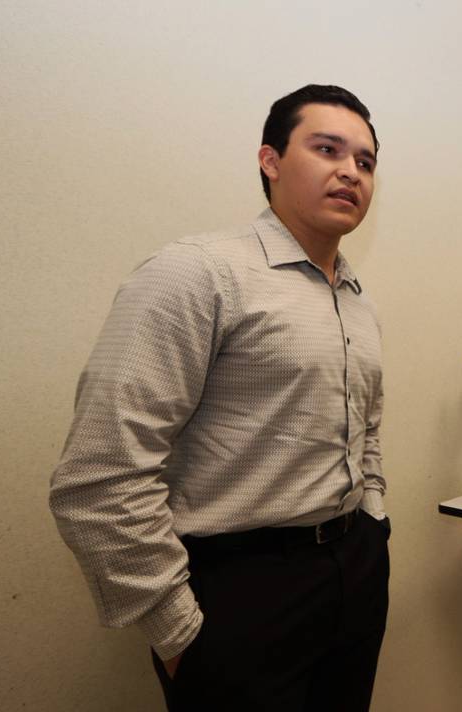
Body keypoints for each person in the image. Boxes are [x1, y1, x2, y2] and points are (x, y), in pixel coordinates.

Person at [50, 84, 390, 711]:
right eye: (327, 149)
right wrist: (179, 634)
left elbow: (365, 432)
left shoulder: (356, 302)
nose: (351, 171)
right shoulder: (198, 272)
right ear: (270, 160)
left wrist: (373, 518)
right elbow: (99, 473)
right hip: (241, 591)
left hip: (355, 570)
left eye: (365, 162)